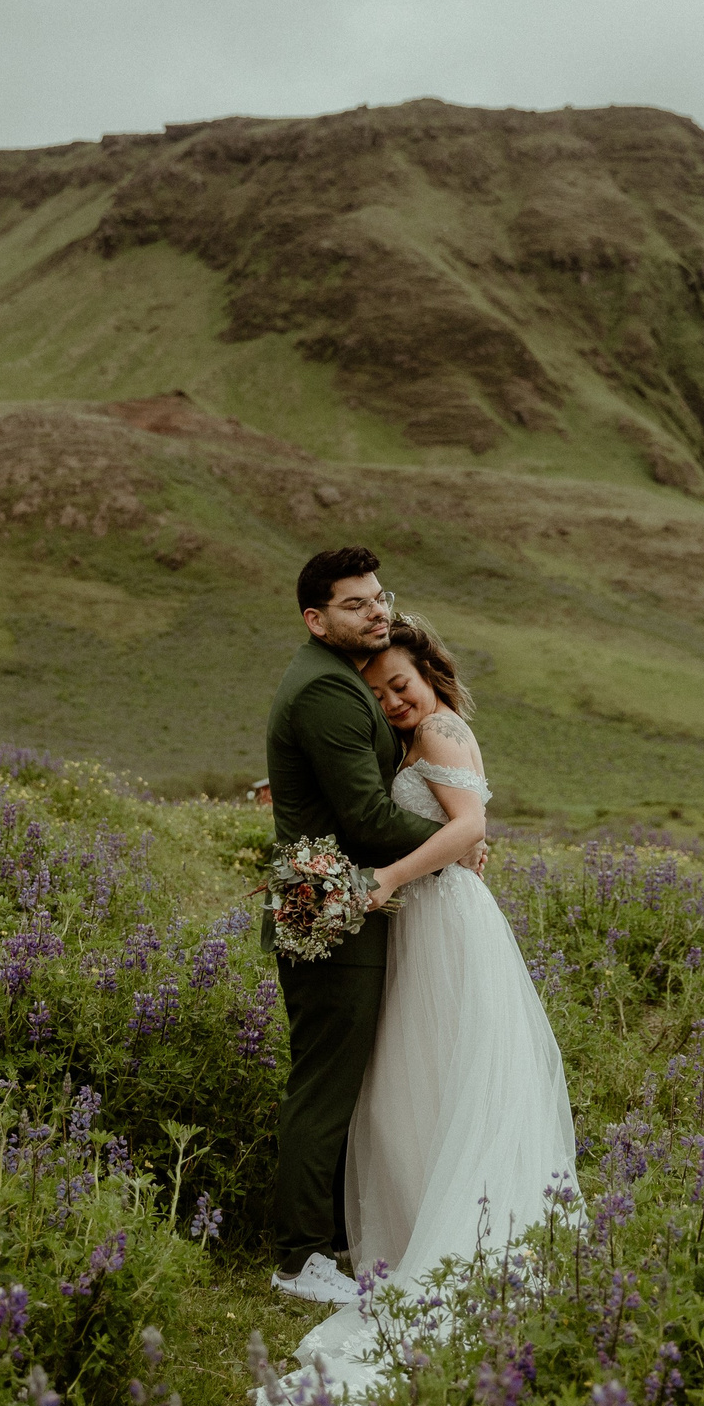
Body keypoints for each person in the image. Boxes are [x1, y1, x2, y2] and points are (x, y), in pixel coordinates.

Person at [265, 609, 579, 1406]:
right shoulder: (409, 739)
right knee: (414, 1073)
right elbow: (388, 798)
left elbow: (469, 828)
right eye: (378, 693)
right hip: (425, 919)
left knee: (446, 1069)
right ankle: (410, 1229)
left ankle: (439, 1238)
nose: (393, 701)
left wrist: (391, 877)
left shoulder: (441, 727)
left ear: (428, 672)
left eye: (398, 684)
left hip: (440, 913)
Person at [260, 548, 444, 1304]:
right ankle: (299, 1258)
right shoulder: (329, 693)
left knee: (339, 1078)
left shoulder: (333, 681)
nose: (376, 612)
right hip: (330, 913)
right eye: (354, 604)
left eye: (379, 598)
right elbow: (366, 818)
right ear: (316, 618)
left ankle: (327, 1239)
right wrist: (452, 850)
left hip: (336, 906)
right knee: (327, 1084)